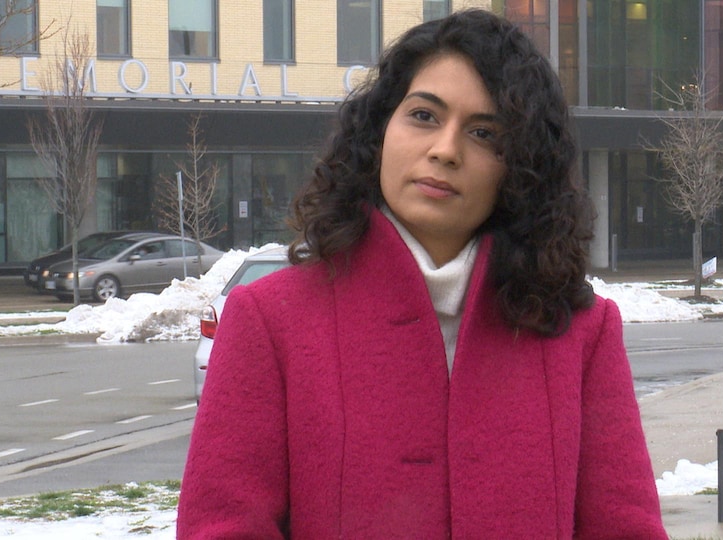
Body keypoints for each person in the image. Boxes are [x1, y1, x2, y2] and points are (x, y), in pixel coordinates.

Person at [177, 9, 667, 539]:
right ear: (381, 129)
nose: (445, 150)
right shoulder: (269, 320)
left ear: (520, 168)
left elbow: (625, 528)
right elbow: (224, 528)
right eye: (424, 116)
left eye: (484, 133)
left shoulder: (581, 332)